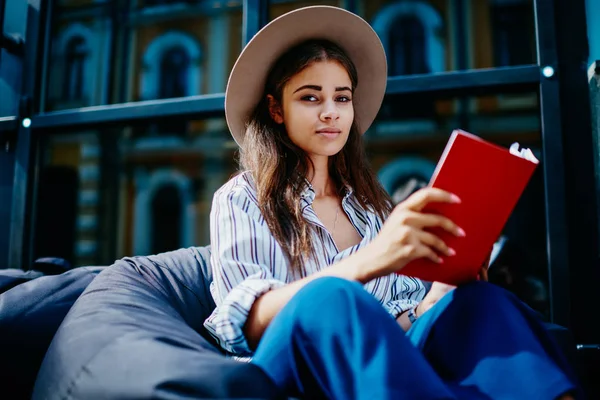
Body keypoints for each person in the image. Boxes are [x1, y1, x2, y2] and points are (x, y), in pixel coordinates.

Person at [204, 6, 579, 399]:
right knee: (330, 296)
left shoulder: (371, 206)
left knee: (479, 301)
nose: (331, 112)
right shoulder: (242, 197)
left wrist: (435, 296)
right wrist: (369, 261)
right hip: (293, 369)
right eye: (310, 97)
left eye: (342, 98)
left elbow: (393, 322)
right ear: (276, 109)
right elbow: (242, 324)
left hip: (378, 367)